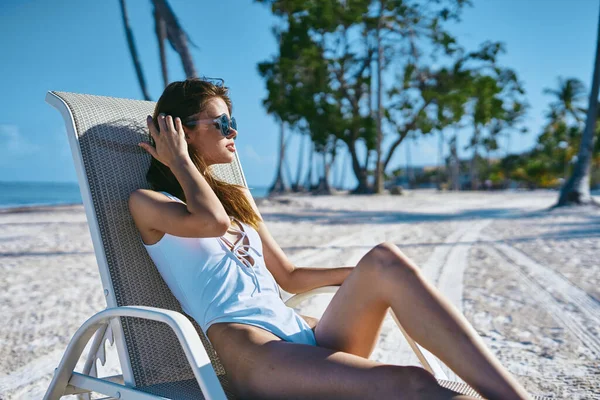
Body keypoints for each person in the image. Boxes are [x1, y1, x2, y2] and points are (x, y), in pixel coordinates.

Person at [128, 78, 532, 400]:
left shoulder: (232, 201)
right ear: (178, 132)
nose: (234, 131)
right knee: (414, 384)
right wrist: (180, 161)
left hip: (305, 337)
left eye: (232, 121)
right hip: (260, 358)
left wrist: (374, 279)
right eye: (222, 123)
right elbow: (211, 224)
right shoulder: (148, 203)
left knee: (385, 260)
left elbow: (288, 274)